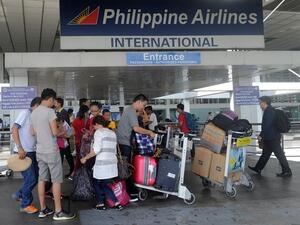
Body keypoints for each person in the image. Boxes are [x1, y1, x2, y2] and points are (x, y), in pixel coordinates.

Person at [31, 88, 75, 220]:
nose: (54, 103)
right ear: (50, 99)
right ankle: (58, 212)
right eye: (54, 100)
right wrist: (67, 132)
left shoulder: (34, 112)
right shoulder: (50, 112)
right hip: (51, 150)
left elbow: (32, 132)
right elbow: (55, 133)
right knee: (56, 180)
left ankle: (43, 209)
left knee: (42, 179)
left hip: (39, 150)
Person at [116, 94, 156, 199]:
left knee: (126, 167)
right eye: (143, 105)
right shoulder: (131, 111)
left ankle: (129, 189)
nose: (143, 108)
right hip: (124, 143)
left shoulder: (129, 110)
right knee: (126, 168)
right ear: (138, 102)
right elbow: (136, 129)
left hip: (123, 142)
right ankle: (128, 193)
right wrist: (149, 132)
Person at [80, 116, 123, 211]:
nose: (94, 128)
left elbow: (96, 150)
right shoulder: (112, 133)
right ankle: (116, 203)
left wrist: (85, 158)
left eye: (94, 126)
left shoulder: (99, 132)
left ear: (97, 124)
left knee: (96, 182)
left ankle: (100, 204)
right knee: (104, 184)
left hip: (102, 164)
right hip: (111, 163)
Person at [248, 96, 292, 177]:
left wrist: (261, 135)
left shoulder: (269, 111)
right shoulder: (269, 110)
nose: (259, 104)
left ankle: (287, 171)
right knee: (265, 154)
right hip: (271, 137)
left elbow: (267, 125)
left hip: (273, 137)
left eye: (260, 102)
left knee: (279, 154)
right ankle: (258, 168)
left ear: (264, 102)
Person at [11, 97, 41, 214]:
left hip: (32, 151)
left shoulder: (34, 116)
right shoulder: (25, 113)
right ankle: (25, 204)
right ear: (37, 105)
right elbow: (14, 128)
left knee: (36, 177)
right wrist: (19, 148)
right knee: (31, 178)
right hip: (23, 152)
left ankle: (19, 194)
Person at [71, 105, 90, 175]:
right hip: (85, 143)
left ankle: (76, 174)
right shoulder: (87, 121)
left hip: (77, 142)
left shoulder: (75, 121)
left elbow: (73, 133)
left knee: (79, 159)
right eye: (88, 112)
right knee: (85, 159)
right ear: (85, 113)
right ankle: (81, 174)